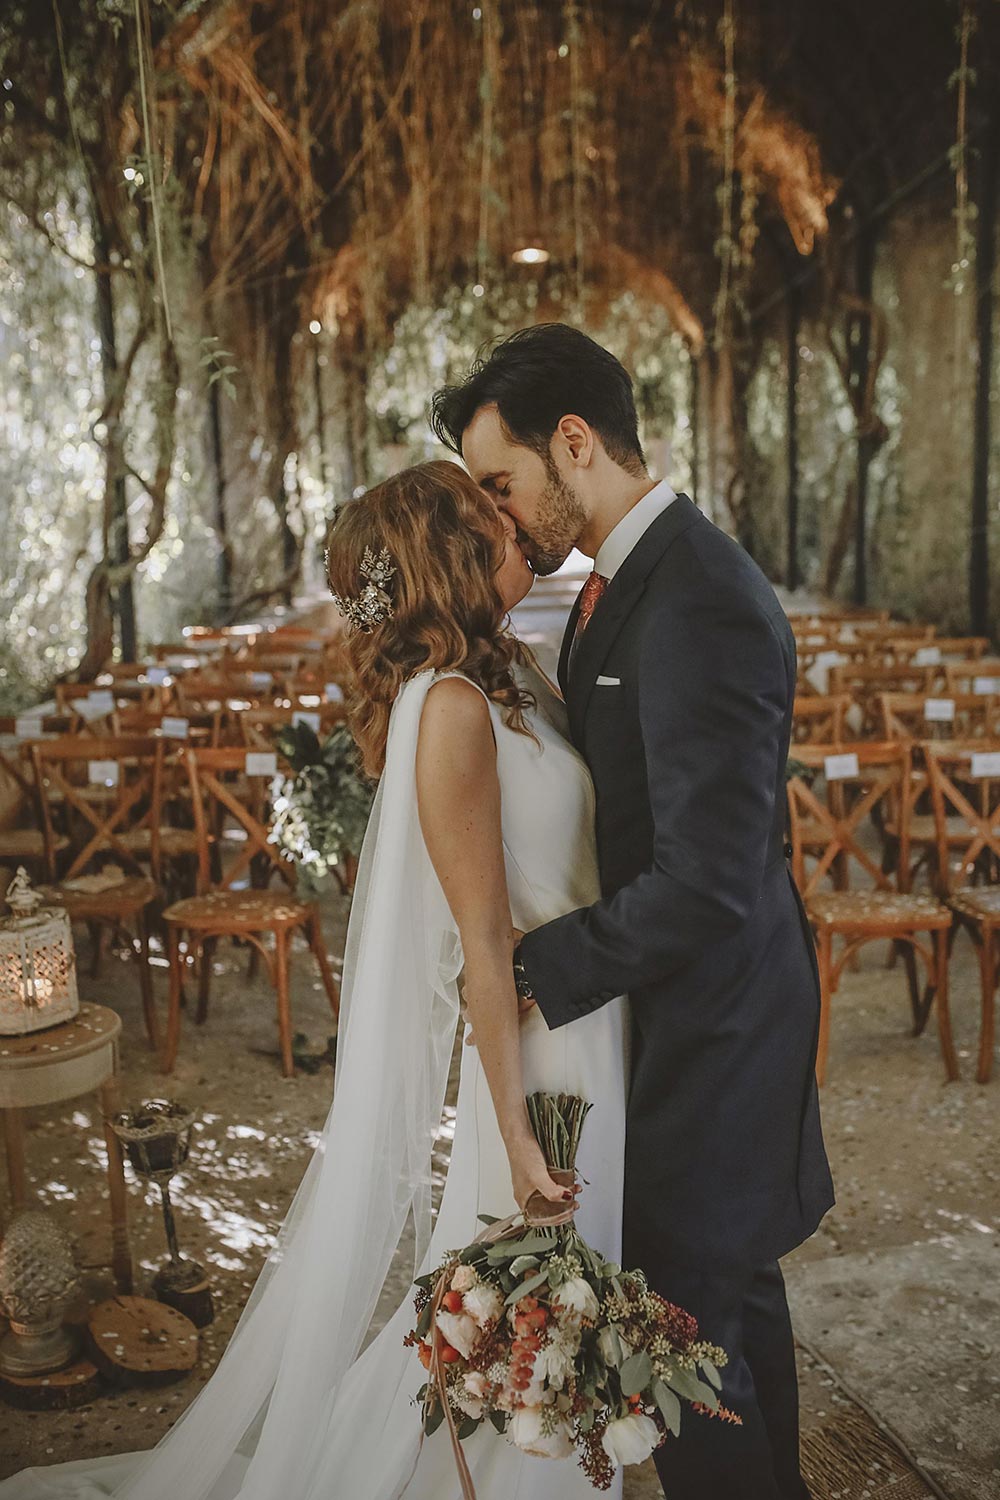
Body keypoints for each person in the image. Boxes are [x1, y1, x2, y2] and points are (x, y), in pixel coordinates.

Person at [1, 461, 628, 1500]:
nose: (515, 529)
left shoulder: (513, 671)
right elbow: (480, 941)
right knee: (529, 1327)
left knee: (553, 1318)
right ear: (454, 557)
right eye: (489, 520)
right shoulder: (454, 710)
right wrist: (517, 1137)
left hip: (596, 1022)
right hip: (544, 1060)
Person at [431, 322, 836, 1500]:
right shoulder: (616, 586)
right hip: (677, 1018)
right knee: (731, 1314)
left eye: (502, 484)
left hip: (712, 1030)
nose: (501, 517)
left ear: (574, 443)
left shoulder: (698, 596)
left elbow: (705, 881)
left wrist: (526, 964)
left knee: (690, 1359)